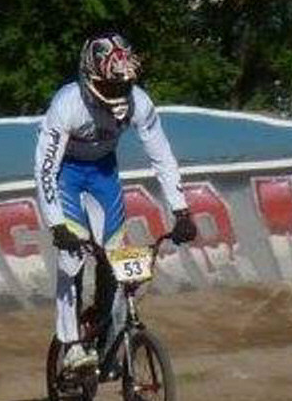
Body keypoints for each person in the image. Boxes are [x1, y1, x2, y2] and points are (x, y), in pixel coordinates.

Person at [34, 32, 196, 378]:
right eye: (109, 86)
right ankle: (72, 345)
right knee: (72, 258)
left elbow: (162, 156)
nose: (117, 93)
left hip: (104, 175)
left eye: (123, 85)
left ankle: (109, 337)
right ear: (90, 78)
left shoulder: (139, 103)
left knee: (116, 257)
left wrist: (181, 210)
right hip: (67, 175)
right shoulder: (67, 104)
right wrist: (56, 223)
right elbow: (45, 169)